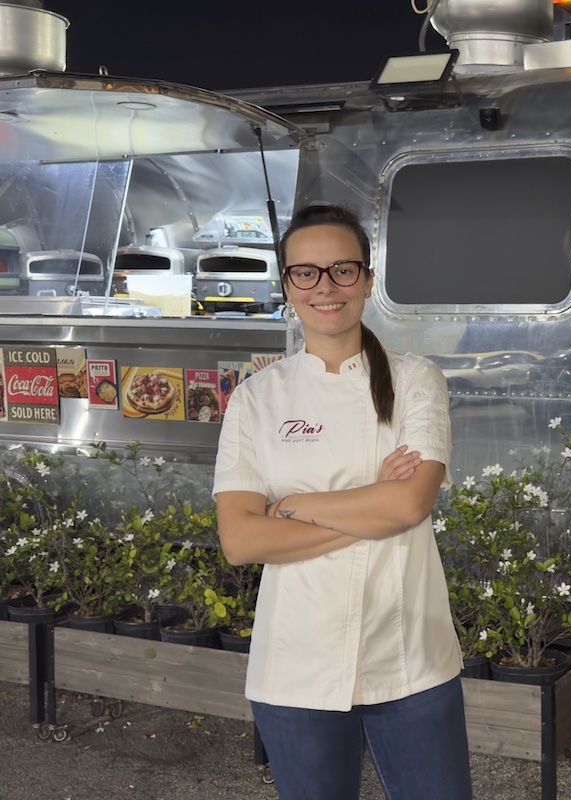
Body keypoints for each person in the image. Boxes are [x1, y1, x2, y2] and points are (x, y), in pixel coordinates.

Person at [212, 204, 472, 800]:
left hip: (411, 658)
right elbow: (242, 540)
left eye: (342, 270)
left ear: (368, 281)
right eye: (306, 273)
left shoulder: (414, 380)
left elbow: (409, 505)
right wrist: (369, 506)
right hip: (296, 665)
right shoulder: (256, 399)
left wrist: (296, 505)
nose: (325, 287)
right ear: (286, 286)